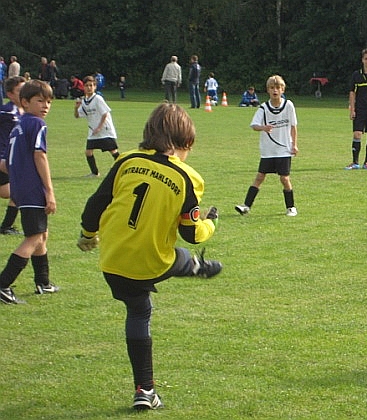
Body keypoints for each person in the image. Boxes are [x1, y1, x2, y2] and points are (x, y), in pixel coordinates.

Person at [78, 102, 223, 409]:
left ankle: (145, 391)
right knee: (175, 259)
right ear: (186, 142)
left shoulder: (127, 161)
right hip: (151, 262)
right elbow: (191, 234)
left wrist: (88, 235)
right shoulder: (187, 177)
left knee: (138, 309)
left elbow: (96, 204)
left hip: (112, 260)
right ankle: (194, 266)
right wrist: (211, 223)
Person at [0, 80, 59, 304]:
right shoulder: (37, 124)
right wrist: (49, 191)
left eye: (49, 102)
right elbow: (39, 156)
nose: (45, 106)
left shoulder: (19, 125)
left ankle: (43, 282)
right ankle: (3, 284)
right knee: (34, 237)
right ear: (25, 102)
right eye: (40, 101)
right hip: (32, 189)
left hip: (21, 189)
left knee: (41, 235)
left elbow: (7, 162)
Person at [235, 75, 298, 217]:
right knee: (259, 177)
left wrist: (294, 145)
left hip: (283, 150)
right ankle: (246, 206)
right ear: (268, 90)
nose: (275, 90)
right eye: (272, 88)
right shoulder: (264, 108)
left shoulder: (288, 105)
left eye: (278, 88)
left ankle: (291, 207)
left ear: (282, 90)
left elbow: (293, 126)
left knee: (284, 179)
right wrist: (263, 127)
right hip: (268, 150)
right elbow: (254, 125)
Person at [74, 75, 119, 177]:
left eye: (91, 85)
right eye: (87, 85)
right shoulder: (84, 101)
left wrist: (99, 127)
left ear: (95, 87)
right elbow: (77, 116)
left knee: (113, 151)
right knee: (88, 152)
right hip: (93, 130)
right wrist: (76, 108)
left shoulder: (98, 98)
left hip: (105, 130)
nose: (89, 88)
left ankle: (123, 168)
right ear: (83, 87)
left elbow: (105, 113)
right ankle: (95, 173)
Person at [0, 76, 26, 235]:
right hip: (3, 159)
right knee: (18, 190)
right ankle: (5, 227)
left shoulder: (24, 113)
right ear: (10, 94)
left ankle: (6, 227)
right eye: (20, 90)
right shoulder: (6, 111)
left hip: (12, 159)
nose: (24, 93)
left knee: (14, 192)